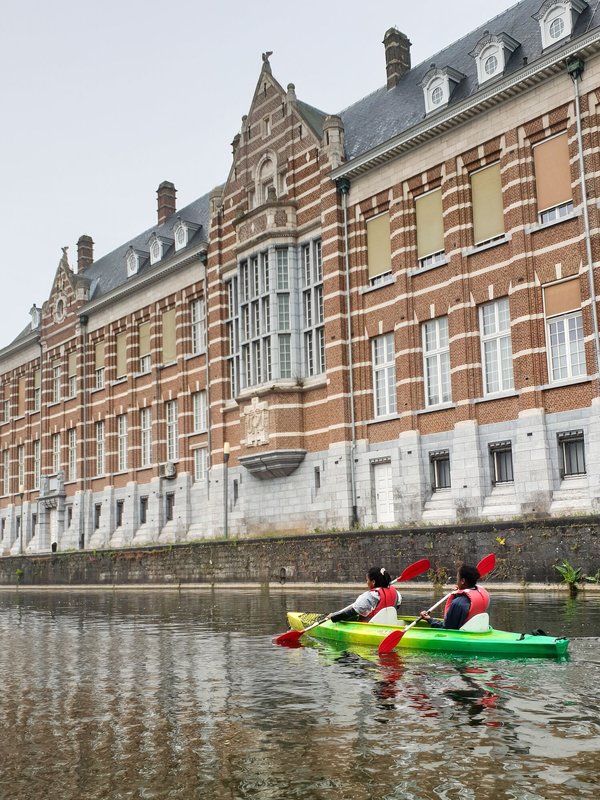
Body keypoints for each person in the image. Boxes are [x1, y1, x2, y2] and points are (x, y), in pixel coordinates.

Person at [419, 564, 490, 629]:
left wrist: (429, 619)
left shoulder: (458, 603)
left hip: (460, 636)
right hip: (478, 630)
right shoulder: (480, 595)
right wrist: (459, 592)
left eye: (457, 579)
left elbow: (447, 629)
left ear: (462, 581)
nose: (457, 582)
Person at [329, 567, 401, 623]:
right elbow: (397, 606)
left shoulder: (369, 596)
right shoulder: (396, 593)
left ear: (373, 582)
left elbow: (351, 613)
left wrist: (333, 617)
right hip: (390, 623)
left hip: (371, 626)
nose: (367, 582)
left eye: (367, 580)